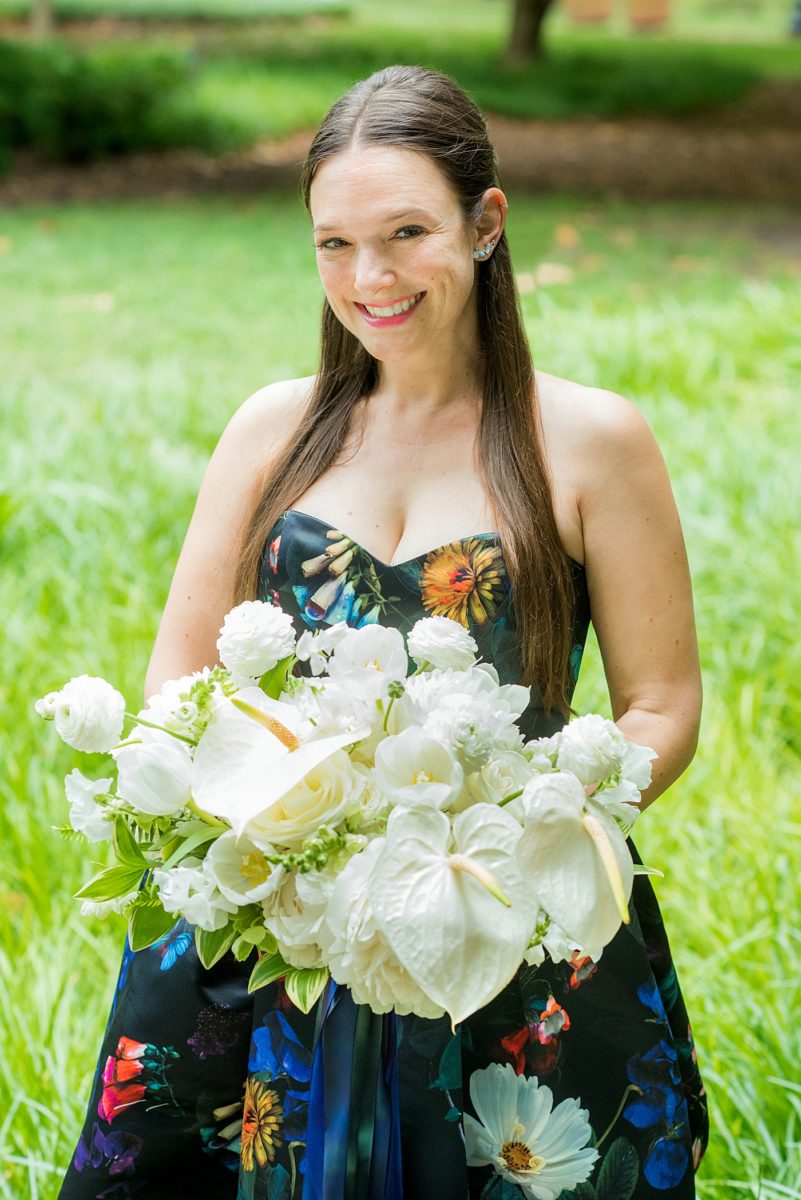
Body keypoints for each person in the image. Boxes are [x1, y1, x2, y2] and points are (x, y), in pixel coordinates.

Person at [58, 64, 708, 1200]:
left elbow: (665, 702)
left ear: (486, 224)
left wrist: (526, 840)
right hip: (278, 926)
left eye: (407, 232)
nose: (370, 278)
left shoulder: (593, 441)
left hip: (510, 919)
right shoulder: (274, 429)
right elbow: (182, 671)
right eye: (334, 244)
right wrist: (267, 845)